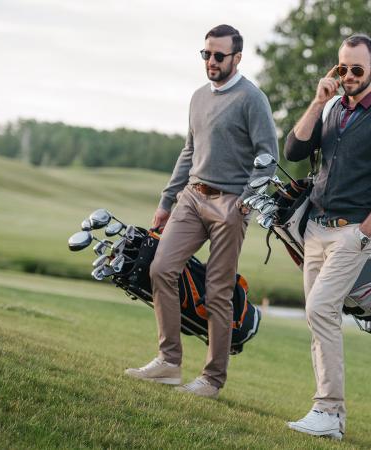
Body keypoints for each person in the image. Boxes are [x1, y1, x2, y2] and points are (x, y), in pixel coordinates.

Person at [124, 24, 278, 399]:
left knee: (218, 292)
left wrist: (245, 200)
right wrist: (166, 202)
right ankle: (169, 362)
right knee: (161, 268)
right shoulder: (197, 97)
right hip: (192, 197)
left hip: (230, 204)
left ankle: (211, 379)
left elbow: (268, 157)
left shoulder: (251, 99)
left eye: (219, 55)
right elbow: (189, 151)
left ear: (236, 58)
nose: (211, 61)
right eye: (206, 54)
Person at [283, 34, 371, 440]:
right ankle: (330, 415)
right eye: (343, 69)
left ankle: (328, 410)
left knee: (320, 308)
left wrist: (364, 233)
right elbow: (293, 150)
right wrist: (319, 100)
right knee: (318, 315)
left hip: (351, 234)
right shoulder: (333, 110)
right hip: (316, 229)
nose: (349, 76)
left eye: (358, 69)